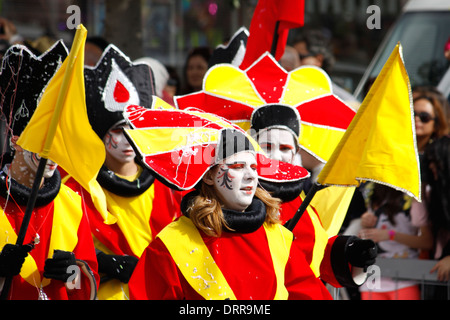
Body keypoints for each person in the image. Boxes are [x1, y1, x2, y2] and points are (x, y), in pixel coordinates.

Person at [128, 125, 333, 300]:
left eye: (253, 167)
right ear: (208, 176)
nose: (250, 176)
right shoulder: (171, 243)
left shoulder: (277, 236)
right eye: (237, 166)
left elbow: (310, 293)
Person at [63, 44, 182, 300]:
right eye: (117, 130)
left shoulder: (170, 186)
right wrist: (103, 262)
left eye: (133, 129)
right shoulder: (75, 189)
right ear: (99, 133)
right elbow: (62, 249)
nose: (128, 139)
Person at [0, 41, 98, 300]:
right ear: (16, 139)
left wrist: (73, 275)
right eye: (44, 138)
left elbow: (86, 281)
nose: (54, 150)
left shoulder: (71, 203)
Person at [357, 183, 434, 300]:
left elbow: (427, 242)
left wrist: (391, 235)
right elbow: (368, 234)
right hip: (373, 278)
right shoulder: (370, 190)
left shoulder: (415, 191)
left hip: (405, 277)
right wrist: (365, 222)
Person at [421, 135, 450, 298]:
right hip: (439, 269)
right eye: (429, 161)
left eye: (436, 160)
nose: (432, 165)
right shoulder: (437, 193)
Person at [412, 90, 448, 155]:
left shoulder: (434, 158)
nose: (416, 118)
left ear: (437, 125)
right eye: (412, 113)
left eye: (424, 117)